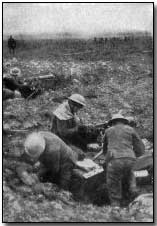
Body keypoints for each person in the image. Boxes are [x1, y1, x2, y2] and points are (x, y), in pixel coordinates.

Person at [103, 114, 145, 207]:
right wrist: (134, 156)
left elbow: (105, 150)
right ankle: (134, 196)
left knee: (113, 181)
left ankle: (116, 206)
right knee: (130, 175)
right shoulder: (131, 129)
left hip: (114, 159)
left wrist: (106, 161)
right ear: (124, 121)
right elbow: (140, 147)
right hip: (131, 158)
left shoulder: (108, 131)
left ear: (112, 122)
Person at [16, 131, 82, 190]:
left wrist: (38, 174)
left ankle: (64, 192)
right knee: (40, 167)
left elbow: (54, 169)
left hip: (67, 160)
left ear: (41, 151)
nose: (32, 159)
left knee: (64, 179)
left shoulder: (52, 151)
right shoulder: (38, 136)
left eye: (35, 156)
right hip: (55, 153)